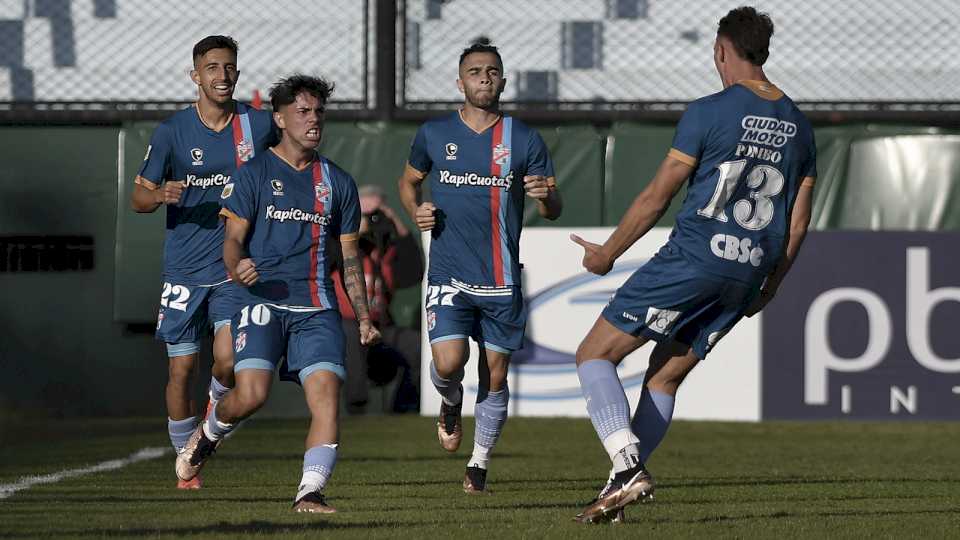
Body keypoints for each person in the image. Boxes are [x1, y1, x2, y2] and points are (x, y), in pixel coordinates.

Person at [569, 6, 817, 523]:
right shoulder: (799, 125)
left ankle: (628, 465)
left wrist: (607, 253)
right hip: (749, 271)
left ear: (722, 50)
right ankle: (617, 488)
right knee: (663, 380)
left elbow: (658, 196)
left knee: (594, 355)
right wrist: (769, 288)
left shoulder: (709, 111)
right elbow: (796, 224)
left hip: (696, 258)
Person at [175, 74, 380, 514]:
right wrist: (237, 265)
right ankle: (210, 431)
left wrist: (362, 316)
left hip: (317, 307)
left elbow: (348, 259)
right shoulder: (255, 174)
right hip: (261, 301)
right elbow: (232, 241)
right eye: (303, 111)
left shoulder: (337, 182)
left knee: (326, 395)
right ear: (280, 118)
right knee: (252, 395)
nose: (313, 120)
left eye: (319, 112)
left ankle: (310, 492)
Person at [398, 42, 563, 493]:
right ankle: (450, 401)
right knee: (450, 363)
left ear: (503, 81)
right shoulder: (434, 134)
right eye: (475, 72)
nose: (484, 78)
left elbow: (553, 206)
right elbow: (409, 182)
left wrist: (544, 196)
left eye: (492, 71)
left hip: (501, 277)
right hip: (449, 273)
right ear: (460, 82)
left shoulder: (523, 139)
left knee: (495, 374)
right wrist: (417, 210)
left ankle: (479, 463)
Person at [129, 35, 276, 489]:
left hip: (232, 266)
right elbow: (137, 197)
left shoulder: (257, 125)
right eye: (212, 67)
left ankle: (209, 423)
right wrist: (159, 195)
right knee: (180, 370)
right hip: (184, 269)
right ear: (196, 75)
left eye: (230, 67)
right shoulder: (172, 132)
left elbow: (293, 153)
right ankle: (184, 460)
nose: (223, 75)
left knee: (229, 361)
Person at [330, 185, 424, 414]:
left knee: (417, 346)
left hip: (380, 325)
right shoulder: (339, 246)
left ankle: (403, 409)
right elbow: (327, 255)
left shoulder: (386, 252)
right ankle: (357, 408)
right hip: (344, 324)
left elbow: (414, 271)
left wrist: (393, 220)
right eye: (364, 213)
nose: (370, 220)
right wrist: (352, 229)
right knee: (351, 334)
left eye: (375, 214)